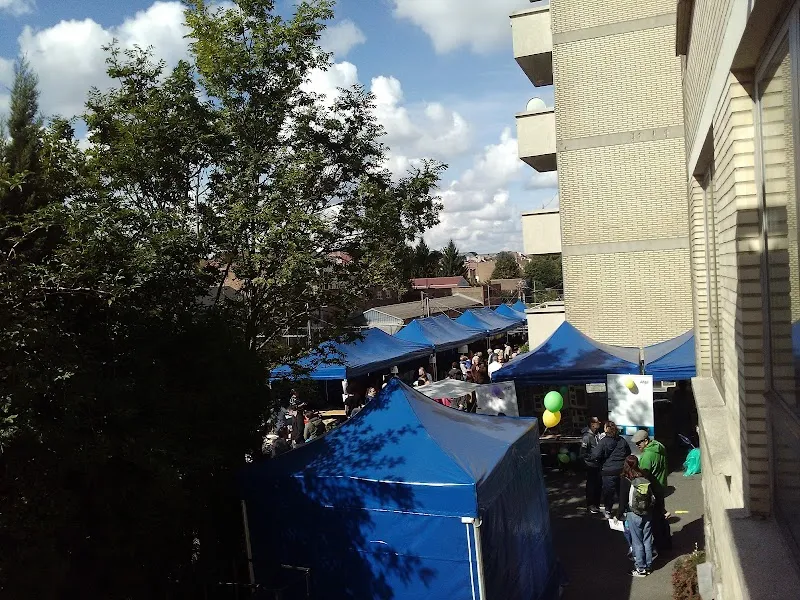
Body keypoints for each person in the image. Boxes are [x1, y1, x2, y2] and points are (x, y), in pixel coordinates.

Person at [616, 455, 656, 577]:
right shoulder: (644, 476)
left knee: (637, 542)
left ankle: (641, 568)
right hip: (647, 512)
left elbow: (623, 500)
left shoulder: (625, 479)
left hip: (633, 513)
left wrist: (618, 515)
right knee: (647, 540)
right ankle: (649, 565)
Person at [632, 430, 672, 551]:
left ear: (646, 441)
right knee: (662, 516)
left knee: (655, 520)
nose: (637, 445)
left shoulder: (647, 455)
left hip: (653, 490)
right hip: (662, 486)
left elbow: (643, 475)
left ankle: (660, 546)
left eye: (639, 443)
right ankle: (667, 542)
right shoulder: (660, 446)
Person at [591, 420, 631, 518]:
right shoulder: (622, 440)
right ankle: (623, 511)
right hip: (621, 470)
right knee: (621, 492)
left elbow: (595, 455)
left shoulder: (603, 441)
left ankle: (608, 510)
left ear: (606, 429)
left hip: (608, 471)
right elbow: (628, 453)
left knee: (609, 493)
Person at [580, 417, 603, 513]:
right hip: (590, 465)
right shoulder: (587, 437)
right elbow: (583, 452)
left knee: (598, 484)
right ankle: (590, 504)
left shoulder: (597, 434)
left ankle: (596, 504)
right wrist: (591, 458)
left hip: (598, 464)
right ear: (592, 424)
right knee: (591, 485)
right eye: (597, 422)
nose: (599, 423)